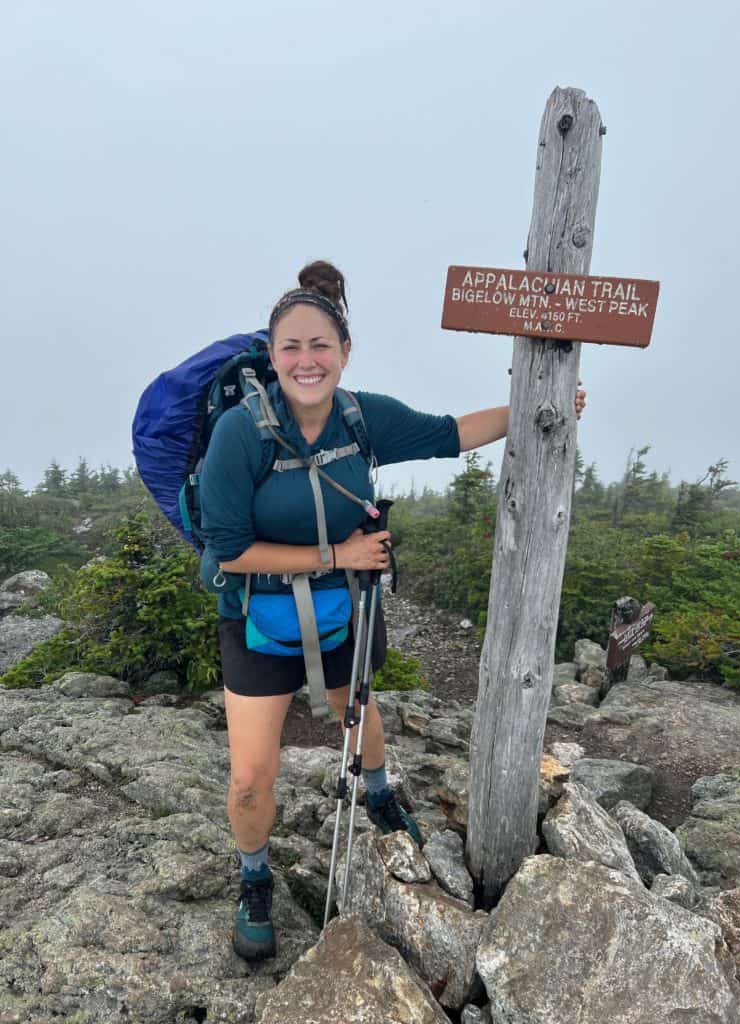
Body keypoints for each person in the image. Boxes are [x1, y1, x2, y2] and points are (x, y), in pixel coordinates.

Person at [199, 260, 586, 962]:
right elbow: (228, 552)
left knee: (358, 709)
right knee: (252, 777)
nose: (307, 360)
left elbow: (448, 433)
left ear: (344, 352)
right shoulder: (240, 432)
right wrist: (338, 555)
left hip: (348, 607)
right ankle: (254, 878)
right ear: (272, 353)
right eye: (292, 347)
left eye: (321, 346)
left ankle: (378, 794)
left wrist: (538, 405)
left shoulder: (360, 416)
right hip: (258, 614)